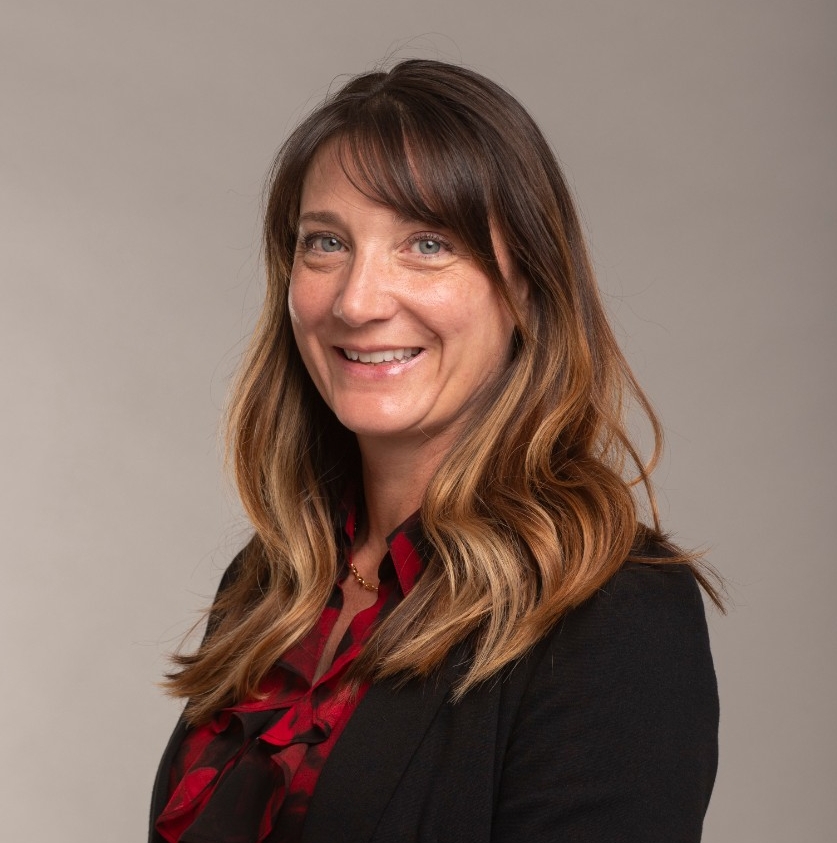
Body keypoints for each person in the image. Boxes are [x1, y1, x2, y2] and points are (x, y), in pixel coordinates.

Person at [150, 59, 721, 843]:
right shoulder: (269, 584)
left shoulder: (615, 615)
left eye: (426, 243)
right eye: (325, 243)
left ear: (525, 287)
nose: (357, 300)